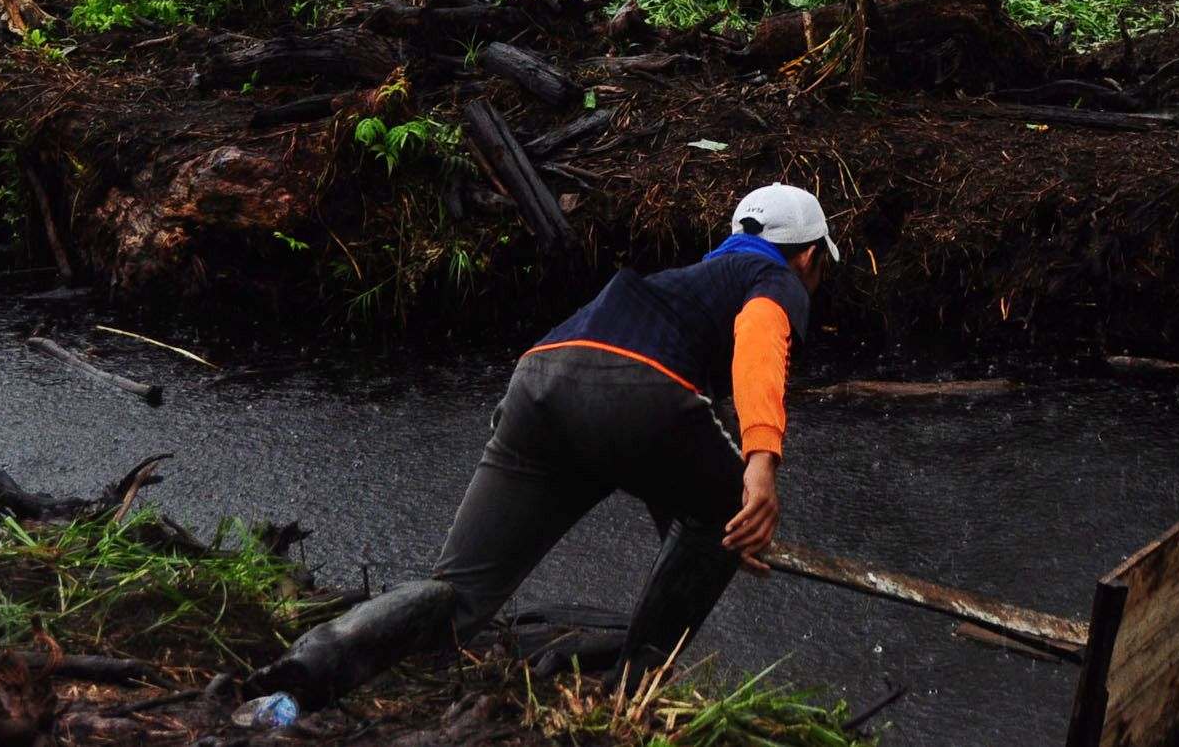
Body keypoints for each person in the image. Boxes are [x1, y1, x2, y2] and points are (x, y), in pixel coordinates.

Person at [246, 185, 836, 706]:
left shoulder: (679, 289)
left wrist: (713, 528)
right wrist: (757, 469)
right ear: (807, 257)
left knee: (459, 597)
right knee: (735, 510)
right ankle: (635, 693)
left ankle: (316, 662)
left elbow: (669, 450)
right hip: (636, 390)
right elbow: (758, 336)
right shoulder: (775, 277)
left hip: (539, 381)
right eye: (818, 268)